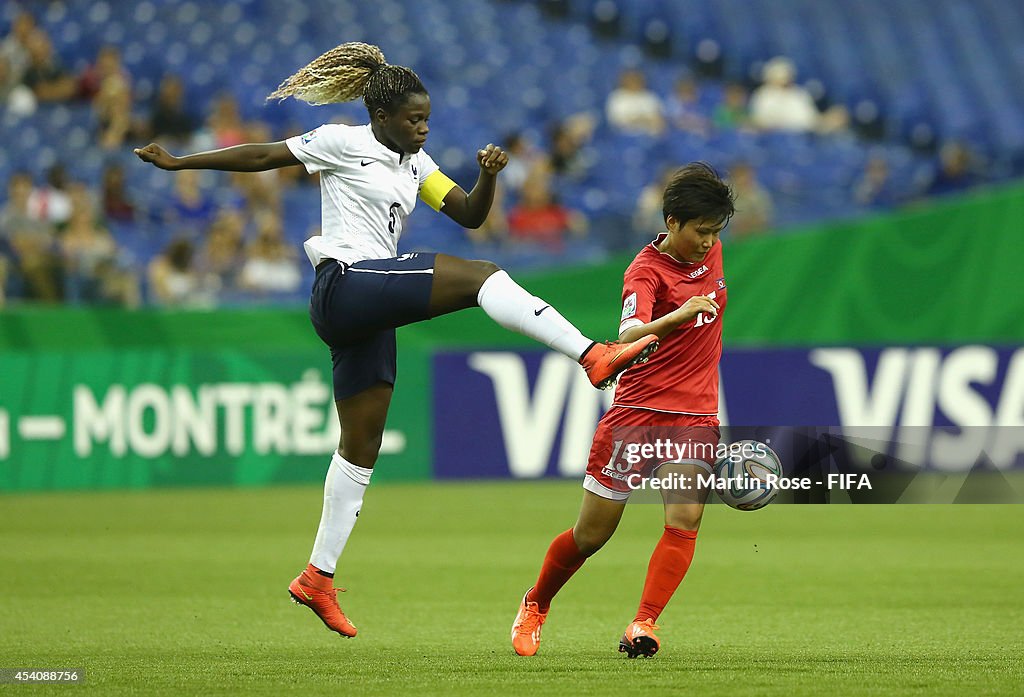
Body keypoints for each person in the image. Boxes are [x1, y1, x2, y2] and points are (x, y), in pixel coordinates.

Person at [134, 42, 658, 639]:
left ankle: (317, 577)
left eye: (426, 118)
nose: (423, 127)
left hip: (369, 307)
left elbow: (467, 214)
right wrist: (183, 163)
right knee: (483, 277)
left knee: (361, 444)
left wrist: (486, 178)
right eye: (414, 118)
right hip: (345, 284)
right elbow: (264, 156)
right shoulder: (343, 140)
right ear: (380, 117)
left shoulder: (416, 162)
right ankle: (591, 354)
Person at [510, 163, 735, 658]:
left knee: (685, 519)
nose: (708, 242)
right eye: (700, 231)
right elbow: (628, 335)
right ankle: (536, 601)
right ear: (672, 222)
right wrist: (680, 314)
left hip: (694, 414)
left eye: (715, 232)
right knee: (591, 535)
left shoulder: (710, 247)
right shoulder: (644, 272)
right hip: (636, 411)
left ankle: (644, 624)